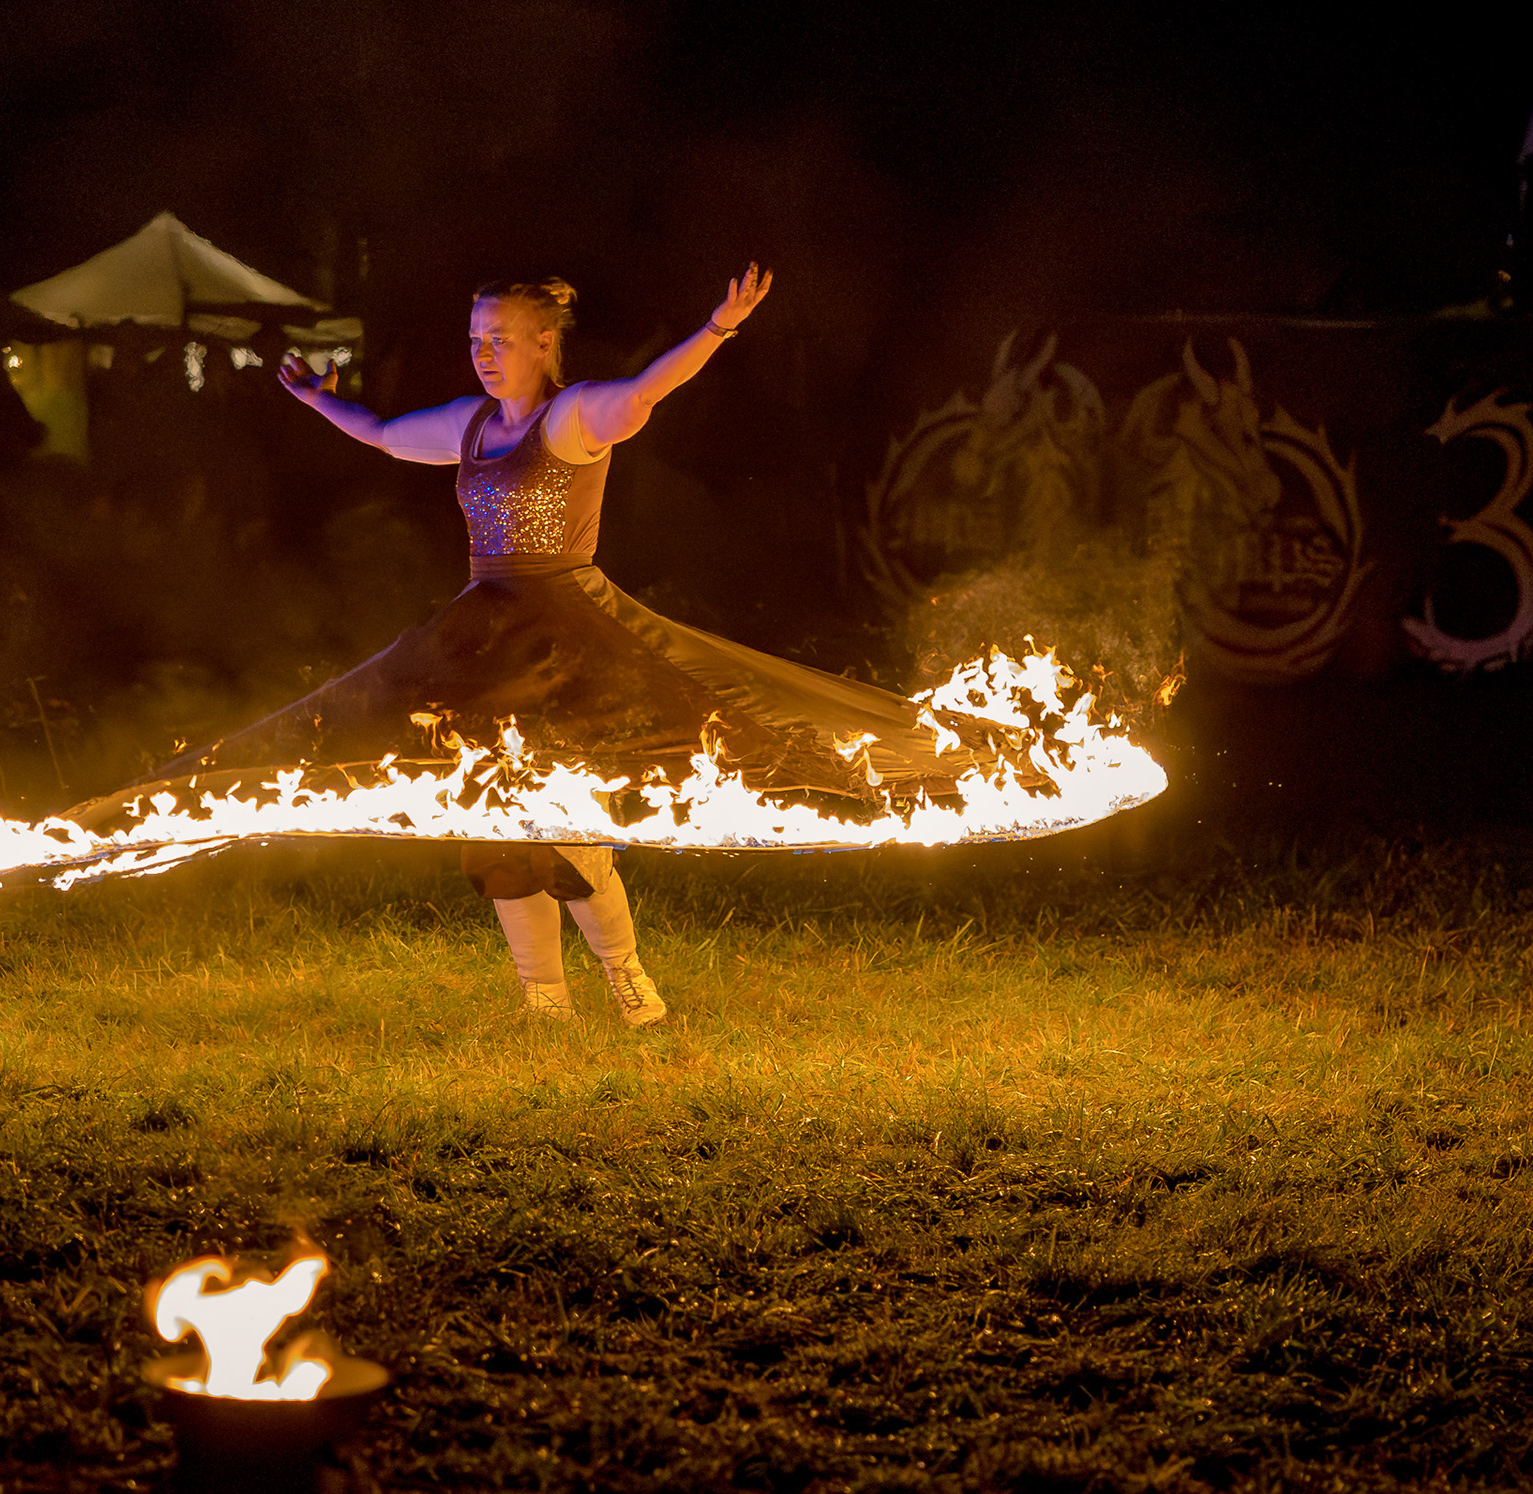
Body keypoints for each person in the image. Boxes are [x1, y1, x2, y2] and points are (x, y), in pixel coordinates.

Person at [78, 266, 1002, 1023]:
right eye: (474, 339)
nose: (482, 355)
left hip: (567, 637)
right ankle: (542, 1002)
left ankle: (627, 981)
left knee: (565, 824)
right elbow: (391, 438)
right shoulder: (473, 426)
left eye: (499, 340)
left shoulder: (573, 419)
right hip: (482, 635)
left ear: (544, 345)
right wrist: (324, 403)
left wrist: (715, 329)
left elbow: (646, 390)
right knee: (490, 824)